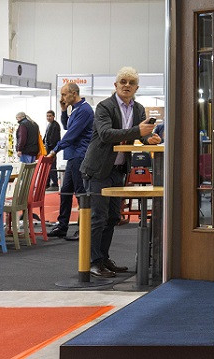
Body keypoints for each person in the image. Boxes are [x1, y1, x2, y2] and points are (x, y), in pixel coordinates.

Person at [81, 67, 161, 278]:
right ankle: (93, 262)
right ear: (115, 85)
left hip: (118, 170)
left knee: (112, 217)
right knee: (98, 218)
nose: (127, 85)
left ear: (136, 88)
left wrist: (149, 139)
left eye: (131, 82)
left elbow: (140, 135)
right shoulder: (104, 106)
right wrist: (138, 131)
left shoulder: (139, 108)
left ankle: (103, 258)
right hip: (98, 170)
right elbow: (106, 134)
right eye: (123, 81)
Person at [47, 83, 93, 239]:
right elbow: (67, 126)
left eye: (64, 94)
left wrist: (55, 150)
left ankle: (83, 229)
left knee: (81, 193)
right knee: (66, 192)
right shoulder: (75, 109)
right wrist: (63, 110)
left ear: (74, 93)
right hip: (73, 156)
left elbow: (71, 134)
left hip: (80, 156)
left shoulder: (85, 110)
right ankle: (62, 226)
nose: (62, 98)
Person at [43, 110, 61, 190]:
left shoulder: (55, 125)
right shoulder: (49, 125)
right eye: (47, 116)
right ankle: (47, 184)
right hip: (48, 149)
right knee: (48, 167)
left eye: (50, 116)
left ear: (53, 116)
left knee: (52, 167)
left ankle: (55, 184)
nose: (48, 117)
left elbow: (54, 139)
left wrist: (51, 149)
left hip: (52, 149)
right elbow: (46, 137)